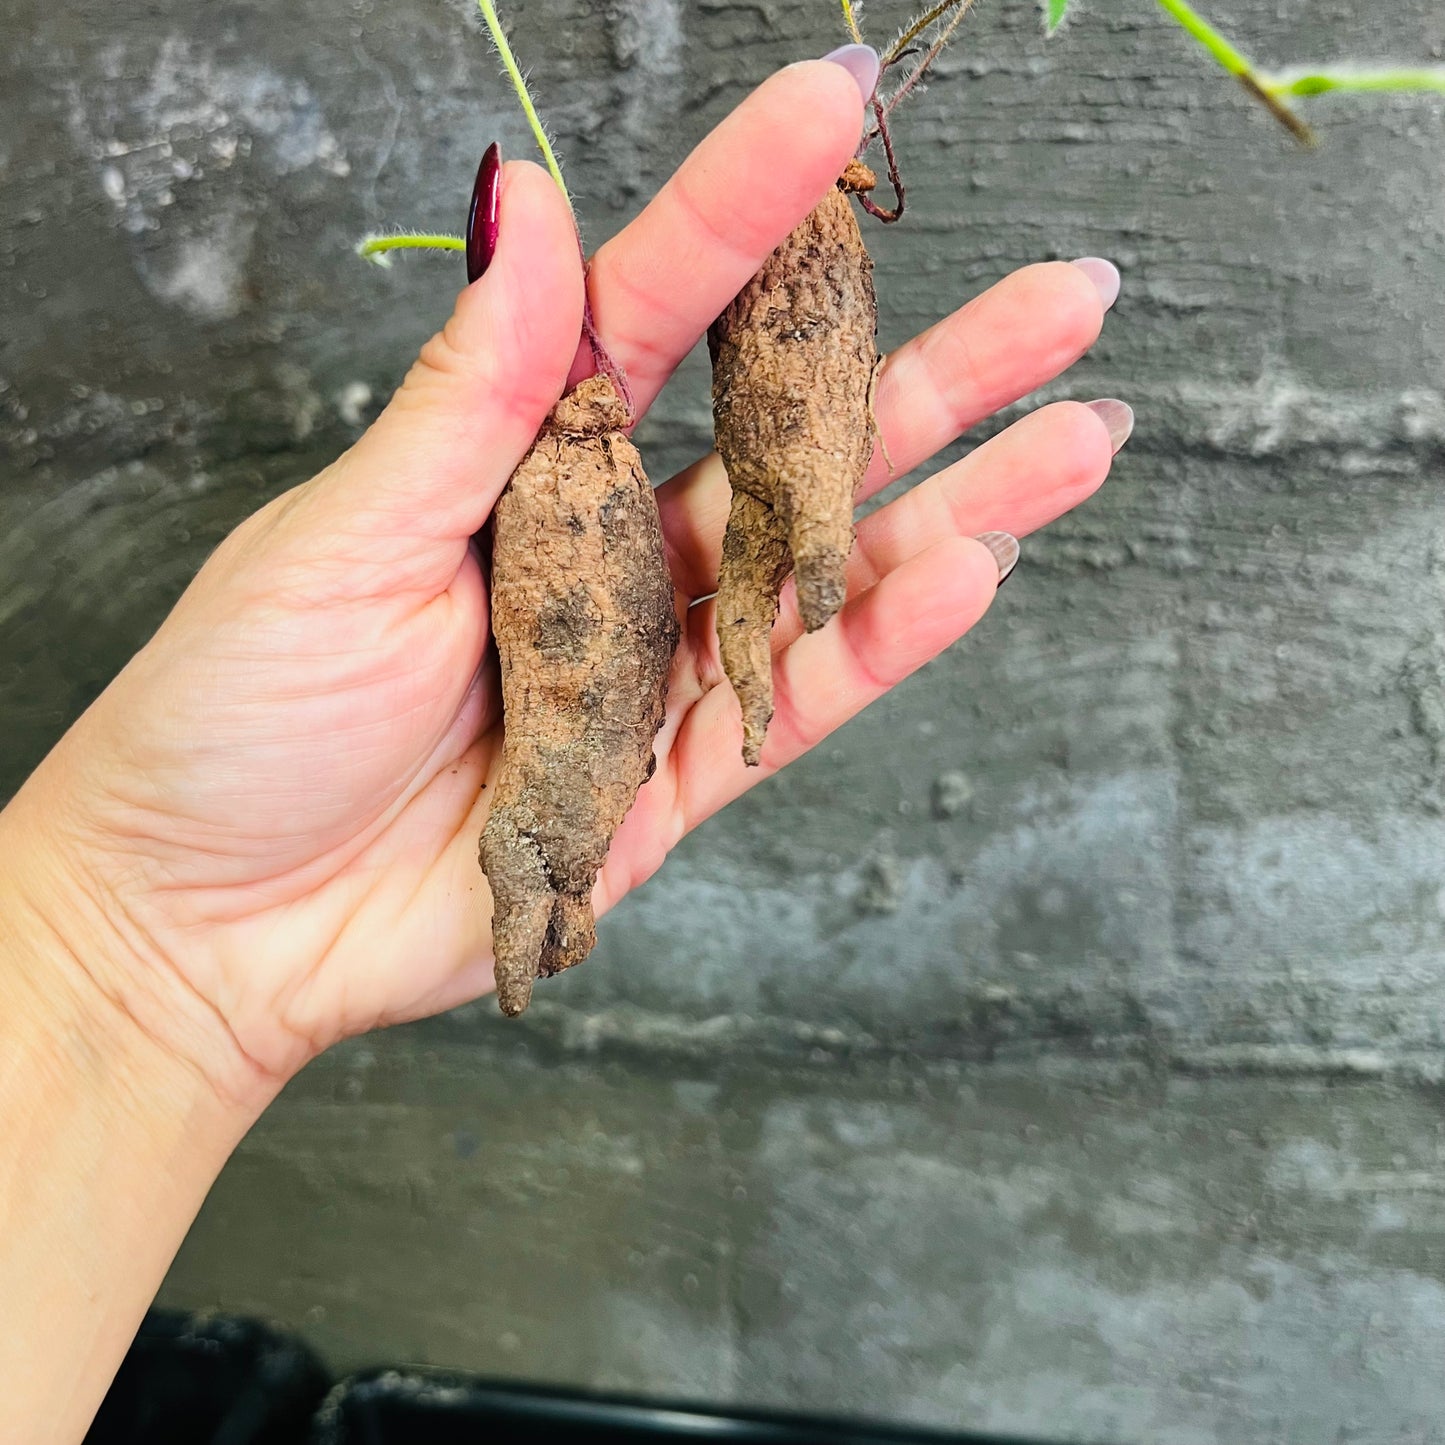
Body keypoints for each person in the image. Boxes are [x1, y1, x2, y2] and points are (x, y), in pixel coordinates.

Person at [0, 48, 1129, 1443]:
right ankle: (584, 813)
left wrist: (123, 966)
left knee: (795, 521)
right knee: (638, 696)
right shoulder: (561, 475)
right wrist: (120, 955)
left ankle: (772, 577)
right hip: (547, 560)